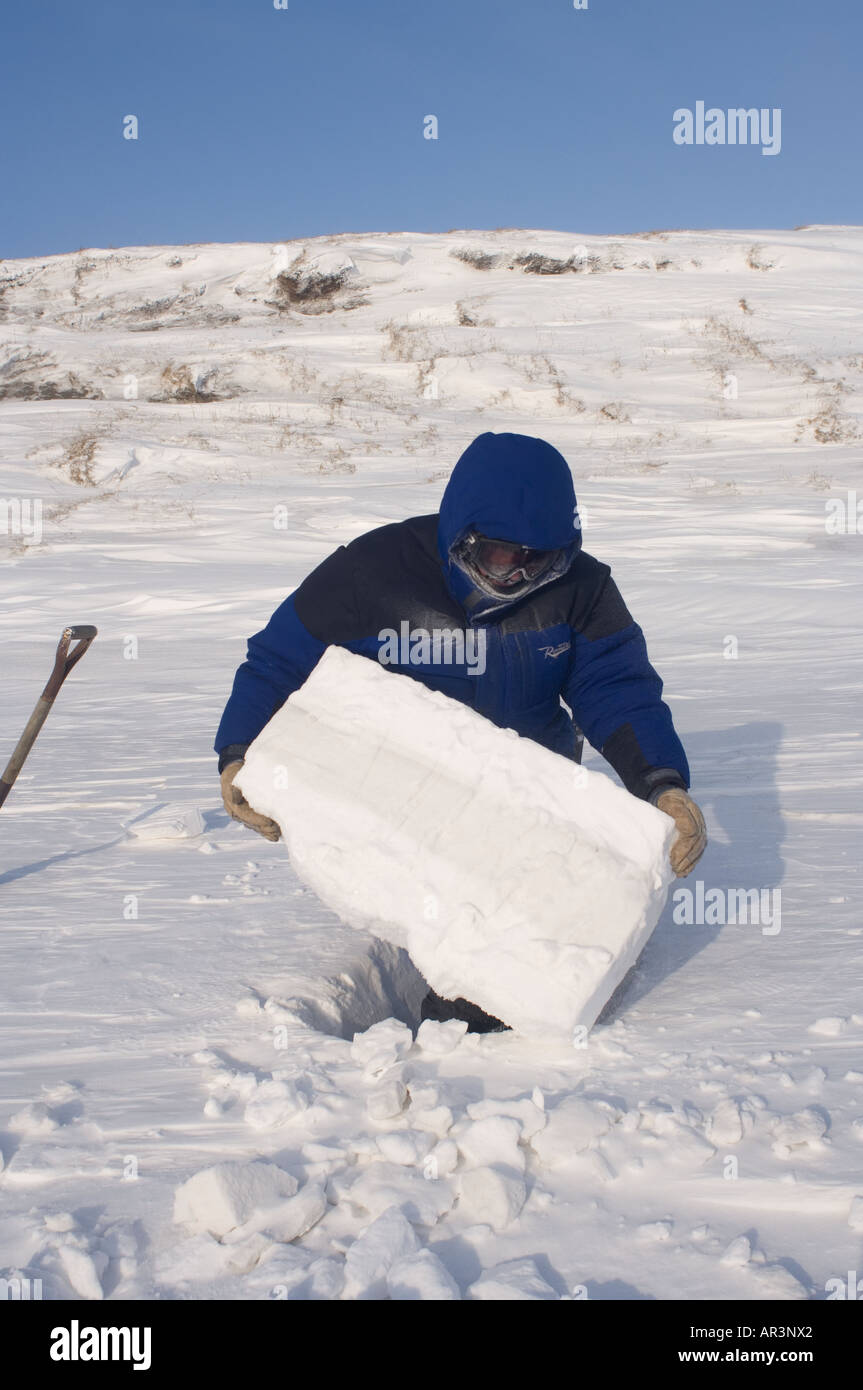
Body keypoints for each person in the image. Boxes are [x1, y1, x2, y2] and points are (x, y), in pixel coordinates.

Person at [215, 431, 707, 1031]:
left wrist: (661, 784)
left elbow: (617, 688)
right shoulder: (371, 573)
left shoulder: (582, 590)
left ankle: (475, 1023)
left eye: (539, 559)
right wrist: (241, 754)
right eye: (501, 556)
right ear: (462, 536)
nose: (518, 575)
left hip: (525, 798)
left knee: (507, 928)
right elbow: (277, 662)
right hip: (400, 792)